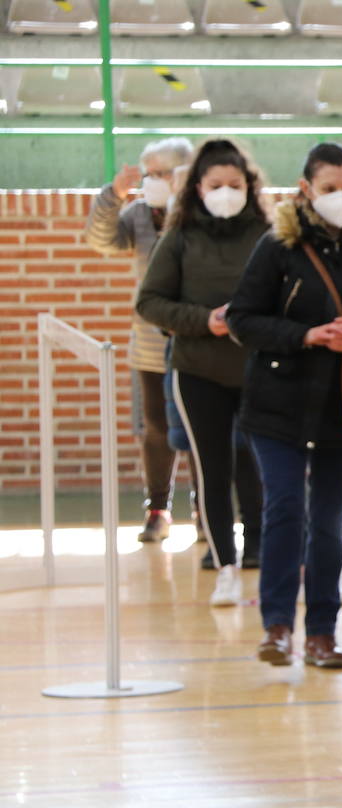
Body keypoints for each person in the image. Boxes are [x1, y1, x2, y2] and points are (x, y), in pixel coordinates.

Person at [226, 142, 342, 668]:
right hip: (277, 407)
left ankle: (322, 633)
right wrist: (304, 335)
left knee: (329, 522)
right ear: (306, 189)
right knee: (285, 510)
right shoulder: (277, 247)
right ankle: (277, 626)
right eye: (330, 188)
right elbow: (243, 318)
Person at [136, 138, 268, 608]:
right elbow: (149, 302)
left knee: (260, 464)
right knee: (213, 467)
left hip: (260, 370)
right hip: (198, 371)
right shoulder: (180, 236)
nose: (227, 192)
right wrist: (205, 321)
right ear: (198, 188)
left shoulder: (269, 234)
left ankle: (261, 549)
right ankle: (222, 559)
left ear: (250, 187)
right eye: (217, 185)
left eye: (236, 184)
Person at [84, 137, 194, 543]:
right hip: (149, 343)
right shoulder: (139, 214)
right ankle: (158, 509)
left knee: (204, 426)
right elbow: (100, 239)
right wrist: (112, 196)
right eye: (147, 174)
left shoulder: (203, 214)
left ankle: (206, 509)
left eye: (159, 174)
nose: (151, 181)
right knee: (156, 428)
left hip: (199, 339)